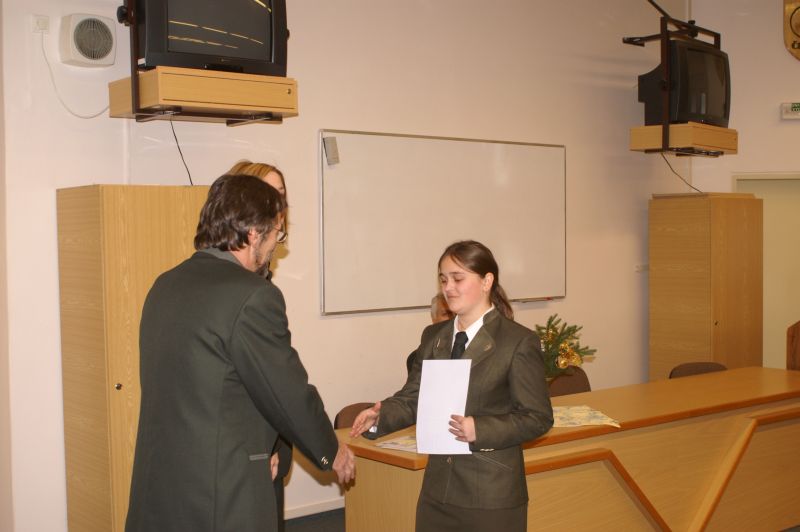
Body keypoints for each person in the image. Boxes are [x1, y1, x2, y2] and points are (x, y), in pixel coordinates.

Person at [126, 174, 354, 532]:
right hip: (220, 497)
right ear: (252, 234)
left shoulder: (165, 285)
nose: (276, 245)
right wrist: (332, 450)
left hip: (161, 490)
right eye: (276, 234)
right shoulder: (252, 296)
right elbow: (286, 391)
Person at [351, 240, 553, 532]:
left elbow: (537, 417)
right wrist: (380, 416)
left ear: (486, 282)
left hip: (491, 494)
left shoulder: (518, 341)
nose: (449, 288)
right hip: (438, 490)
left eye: (458, 278)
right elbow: (414, 397)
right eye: (444, 279)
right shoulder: (433, 336)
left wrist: (479, 429)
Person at [227, 160, 292, 531]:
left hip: (268, 448)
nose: (277, 206)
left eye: (281, 196)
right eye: (269, 194)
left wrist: (275, 448)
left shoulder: (265, 282)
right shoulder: (228, 283)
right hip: (237, 455)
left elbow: (274, 379)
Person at [406, 293, 454, 374]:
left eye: (455, 314)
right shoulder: (416, 359)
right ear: (434, 318)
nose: (453, 318)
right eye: (446, 314)